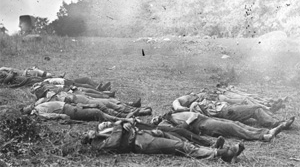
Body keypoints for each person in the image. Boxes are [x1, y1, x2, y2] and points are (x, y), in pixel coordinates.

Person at [82, 119, 245, 163]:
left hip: (144, 134)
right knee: (179, 146)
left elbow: (125, 127)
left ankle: (213, 149)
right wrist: (119, 125)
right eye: (88, 133)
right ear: (89, 139)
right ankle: (222, 154)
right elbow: (115, 143)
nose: (91, 130)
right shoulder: (98, 144)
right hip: (141, 144)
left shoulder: (104, 130)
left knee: (178, 139)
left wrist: (125, 123)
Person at [173, 92, 295, 128]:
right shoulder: (194, 104)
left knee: (249, 103)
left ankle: (270, 114)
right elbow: (177, 102)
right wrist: (179, 107)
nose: (198, 94)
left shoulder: (203, 100)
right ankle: (274, 123)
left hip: (227, 108)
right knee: (255, 109)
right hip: (226, 112)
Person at [151, 111, 294, 142]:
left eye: (157, 116)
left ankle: (267, 131)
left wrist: (185, 124)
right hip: (204, 125)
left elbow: (193, 115)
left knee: (234, 125)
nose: (157, 118)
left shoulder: (175, 115)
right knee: (233, 128)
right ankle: (264, 136)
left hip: (204, 122)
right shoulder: (170, 120)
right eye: (155, 120)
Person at [21, 100, 138, 122]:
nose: (27, 107)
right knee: (97, 112)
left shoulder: (37, 105)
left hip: (70, 105)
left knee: (97, 106)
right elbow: (51, 115)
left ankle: (126, 115)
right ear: (28, 113)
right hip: (69, 111)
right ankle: (123, 119)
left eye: (25, 106)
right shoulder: (37, 113)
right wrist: (61, 116)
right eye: (25, 109)